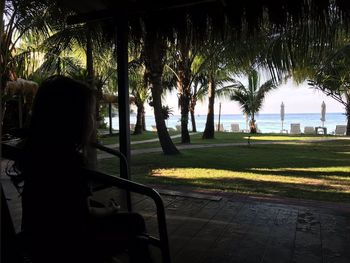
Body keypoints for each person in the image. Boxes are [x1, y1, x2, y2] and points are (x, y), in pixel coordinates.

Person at [16, 76, 152, 263]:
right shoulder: (69, 162)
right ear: (74, 120)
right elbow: (83, 216)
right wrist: (110, 210)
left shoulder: (37, 153)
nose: (93, 120)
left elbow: (69, 208)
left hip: (41, 240)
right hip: (71, 245)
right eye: (90, 113)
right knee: (135, 222)